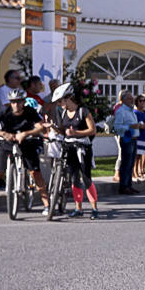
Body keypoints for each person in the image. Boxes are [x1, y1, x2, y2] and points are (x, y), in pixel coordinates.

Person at [0, 89, 50, 215]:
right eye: (13, 102)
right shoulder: (4, 112)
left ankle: (47, 205)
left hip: (26, 142)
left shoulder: (30, 112)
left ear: (23, 102)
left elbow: (41, 128)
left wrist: (26, 133)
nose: (16, 105)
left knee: (35, 173)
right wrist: (3, 133)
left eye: (18, 101)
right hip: (6, 143)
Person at [51, 83, 100, 219]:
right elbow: (63, 131)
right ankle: (78, 208)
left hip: (83, 148)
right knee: (74, 178)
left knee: (86, 178)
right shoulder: (64, 112)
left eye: (60, 101)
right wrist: (53, 127)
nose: (59, 104)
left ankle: (94, 208)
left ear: (68, 98)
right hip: (70, 148)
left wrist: (76, 132)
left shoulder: (83, 111)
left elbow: (92, 130)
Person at [112, 90, 140, 195]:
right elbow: (117, 127)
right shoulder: (121, 111)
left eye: (132, 97)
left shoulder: (131, 111)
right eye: (129, 98)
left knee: (131, 163)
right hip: (126, 139)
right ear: (123, 100)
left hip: (133, 139)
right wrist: (129, 127)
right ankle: (123, 186)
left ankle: (129, 185)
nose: (132, 99)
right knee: (126, 163)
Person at [133, 95, 145, 180]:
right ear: (137, 102)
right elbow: (135, 124)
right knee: (136, 155)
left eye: (144, 101)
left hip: (144, 136)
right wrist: (141, 126)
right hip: (138, 136)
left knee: (141, 154)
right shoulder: (135, 112)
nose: (143, 103)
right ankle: (135, 172)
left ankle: (140, 171)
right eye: (141, 101)